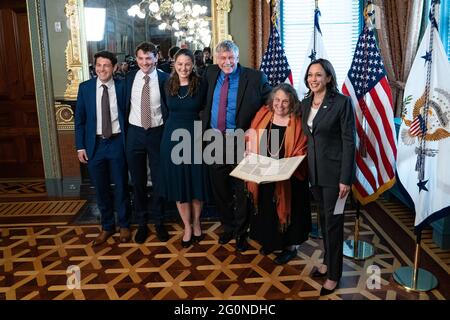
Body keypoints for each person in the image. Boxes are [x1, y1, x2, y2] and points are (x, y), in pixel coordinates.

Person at [202, 40, 271, 252]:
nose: (227, 62)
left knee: (242, 190)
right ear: (216, 59)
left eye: (231, 57)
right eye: (223, 58)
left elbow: (271, 103)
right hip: (214, 141)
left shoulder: (255, 77)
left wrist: (256, 129)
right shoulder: (210, 74)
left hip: (242, 142)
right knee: (220, 189)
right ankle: (228, 227)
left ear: (237, 57)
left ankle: (242, 231)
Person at [299, 58, 355, 295]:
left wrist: (346, 178)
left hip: (334, 176)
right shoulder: (305, 103)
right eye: (311, 75)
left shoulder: (341, 103)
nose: (314, 79)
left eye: (319, 75)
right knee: (323, 221)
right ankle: (327, 261)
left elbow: (348, 141)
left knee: (333, 223)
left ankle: (334, 275)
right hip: (314, 174)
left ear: (328, 78)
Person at [247, 83, 311, 264]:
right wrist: (249, 151)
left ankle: (290, 247)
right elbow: (251, 136)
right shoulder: (263, 113)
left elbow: (303, 147)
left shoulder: (298, 120)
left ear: (292, 103)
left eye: (285, 101)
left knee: (292, 212)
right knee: (267, 210)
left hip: (290, 177)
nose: (280, 105)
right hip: (264, 173)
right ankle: (270, 241)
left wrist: (287, 166)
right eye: (277, 100)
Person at [75, 50, 130, 246]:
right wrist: (80, 146)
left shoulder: (123, 87)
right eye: (99, 65)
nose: (102, 69)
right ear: (94, 67)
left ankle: (124, 224)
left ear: (114, 68)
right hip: (95, 145)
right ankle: (107, 226)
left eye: (106, 65)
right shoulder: (86, 88)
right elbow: (79, 120)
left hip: (117, 142)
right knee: (101, 188)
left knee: (122, 185)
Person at [160, 48, 209, 248]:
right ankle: (187, 226)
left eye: (187, 64)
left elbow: (206, 108)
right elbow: (165, 109)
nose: (183, 68)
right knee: (179, 184)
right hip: (172, 138)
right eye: (180, 64)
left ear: (193, 65)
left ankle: (197, 222)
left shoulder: (201, 83)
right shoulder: (167, 84)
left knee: (196, 184)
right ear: (174, 64)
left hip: (196, 135)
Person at [125, 42, 170, 244]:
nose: (145, 62)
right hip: (134, 133)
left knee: (159, 180)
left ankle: (159, 221)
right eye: (141, 58)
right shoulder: (127, 80)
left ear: (156, 58)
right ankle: (142, 222)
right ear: (136, 59)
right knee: (138, 181)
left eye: (149, 58)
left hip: (157, 132)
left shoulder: (165, 79)